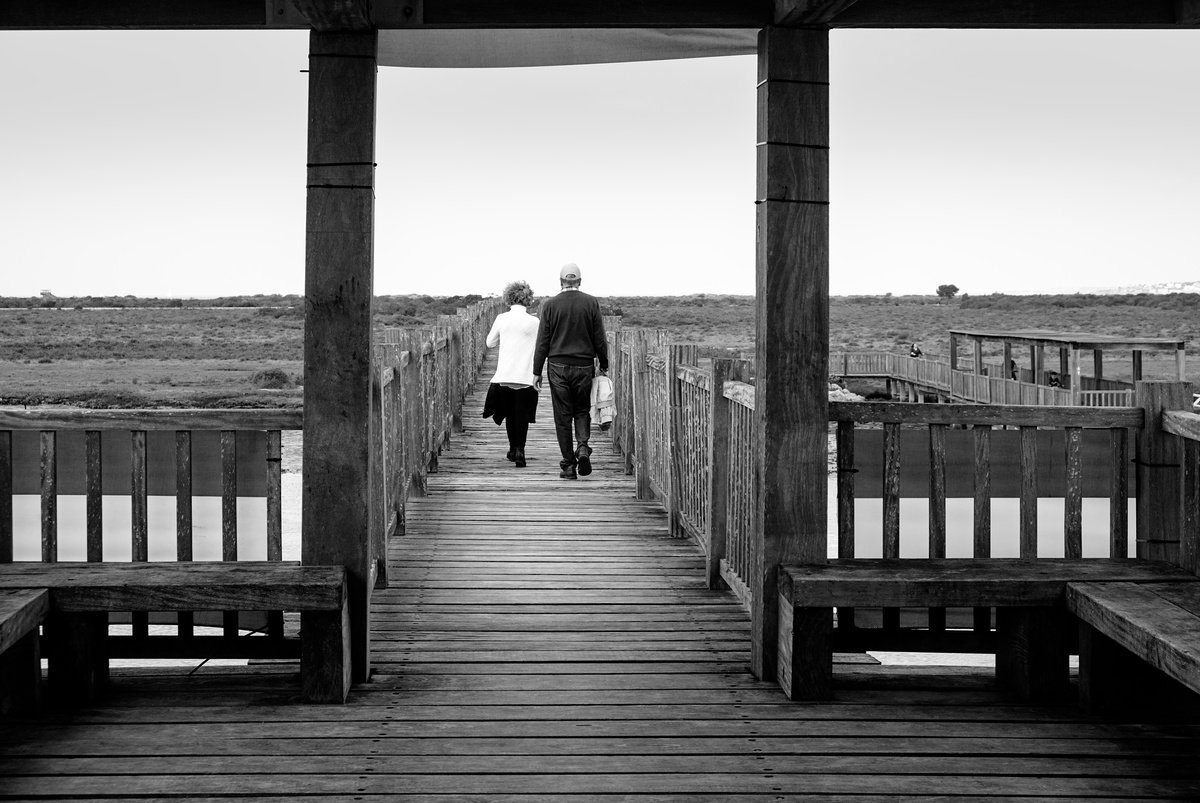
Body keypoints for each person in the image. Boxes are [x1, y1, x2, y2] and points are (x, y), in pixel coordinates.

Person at [533, 263, 609, 480]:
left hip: (557, 366)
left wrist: (537, 370)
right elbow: (599, 338)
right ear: (580, 281)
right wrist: (603, 363)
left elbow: (542, 342)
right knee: (582, 410)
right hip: (584, 365)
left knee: (562, 416)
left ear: (560, 282)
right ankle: (583, 447)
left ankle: (568, 466)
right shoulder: (591, 302)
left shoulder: (550, 305)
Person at [481, 281, 540, 468]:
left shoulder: (501, 318)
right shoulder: (535, 322)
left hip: (505, 374)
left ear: (508, 298)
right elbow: (541, 347)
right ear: (528, 299)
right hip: (526, 376)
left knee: (509, 414)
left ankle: (512, 448)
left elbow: (490, 343)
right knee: (522, 414)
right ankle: (521, 450)